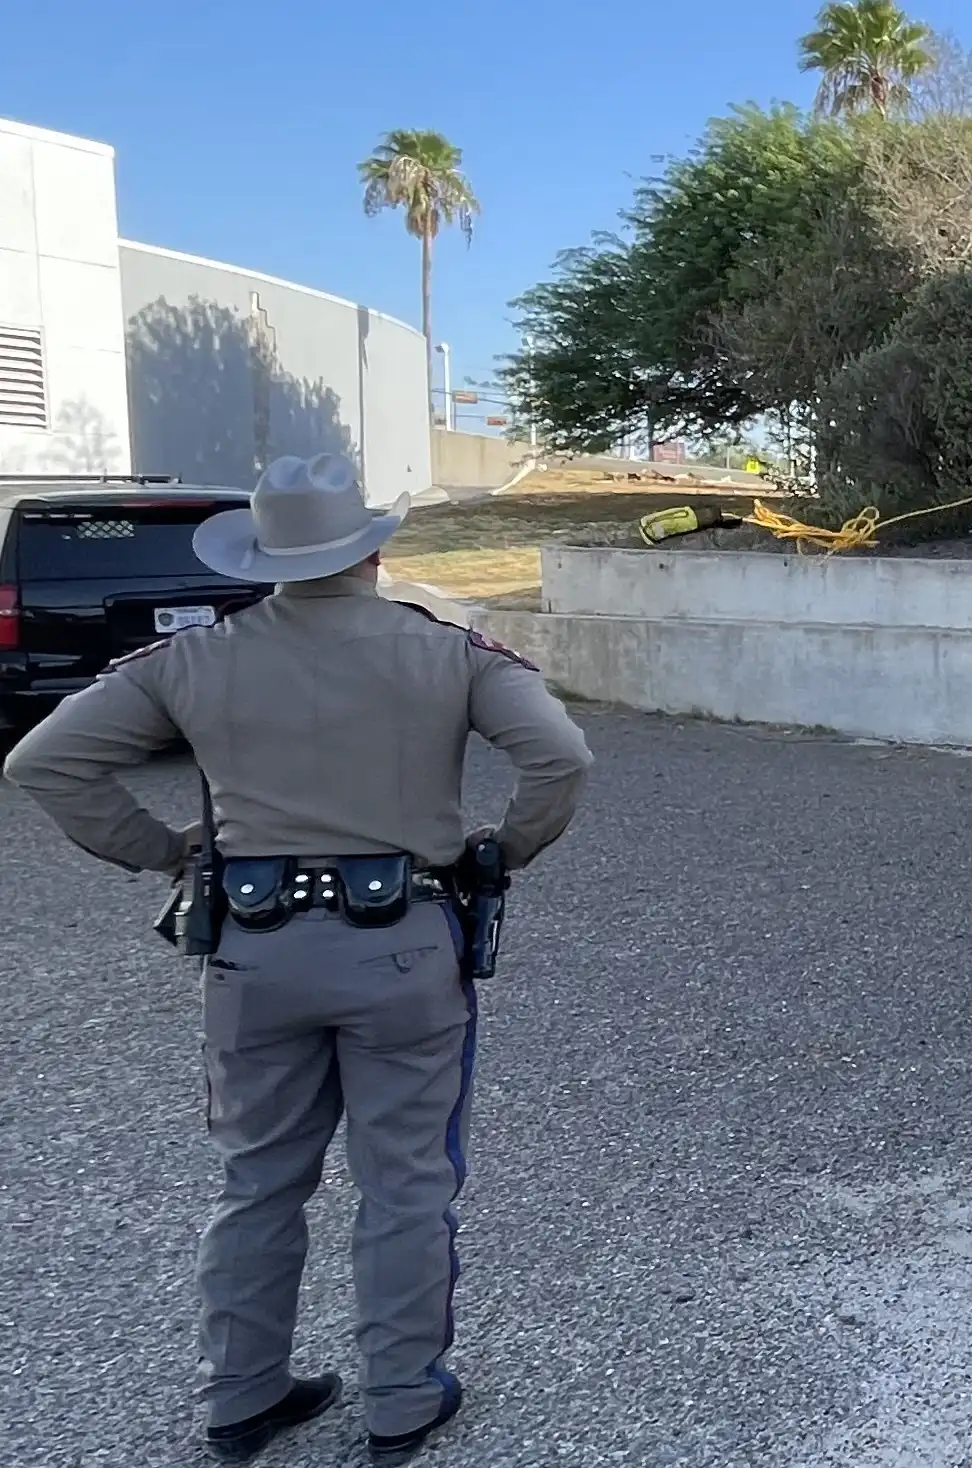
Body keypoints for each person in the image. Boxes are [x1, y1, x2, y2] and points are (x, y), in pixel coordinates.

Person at [2, 454, 594, 1464]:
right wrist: (503, 848)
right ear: (372, 547)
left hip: (252, 951)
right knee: (405, 1182)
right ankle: (403, 1400)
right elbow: (561, 757)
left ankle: (244, 1398)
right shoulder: (446, 653)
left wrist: (166, 851)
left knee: (257, 1181)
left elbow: (42, 761)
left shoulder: (198, 659)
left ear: (268, 553)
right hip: (405, 946)